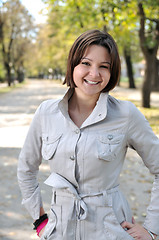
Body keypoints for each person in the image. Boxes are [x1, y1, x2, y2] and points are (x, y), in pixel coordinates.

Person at [17, 29, 159, 240]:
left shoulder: (126, 114)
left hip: (112, 231)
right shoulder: (46, 112)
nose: (94, 74)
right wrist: (40, 221)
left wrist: (151, 228)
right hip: (60, 231)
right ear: (72, 64)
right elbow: (26, 169)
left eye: (104, 66)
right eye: (86, 63)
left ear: (112, 72)